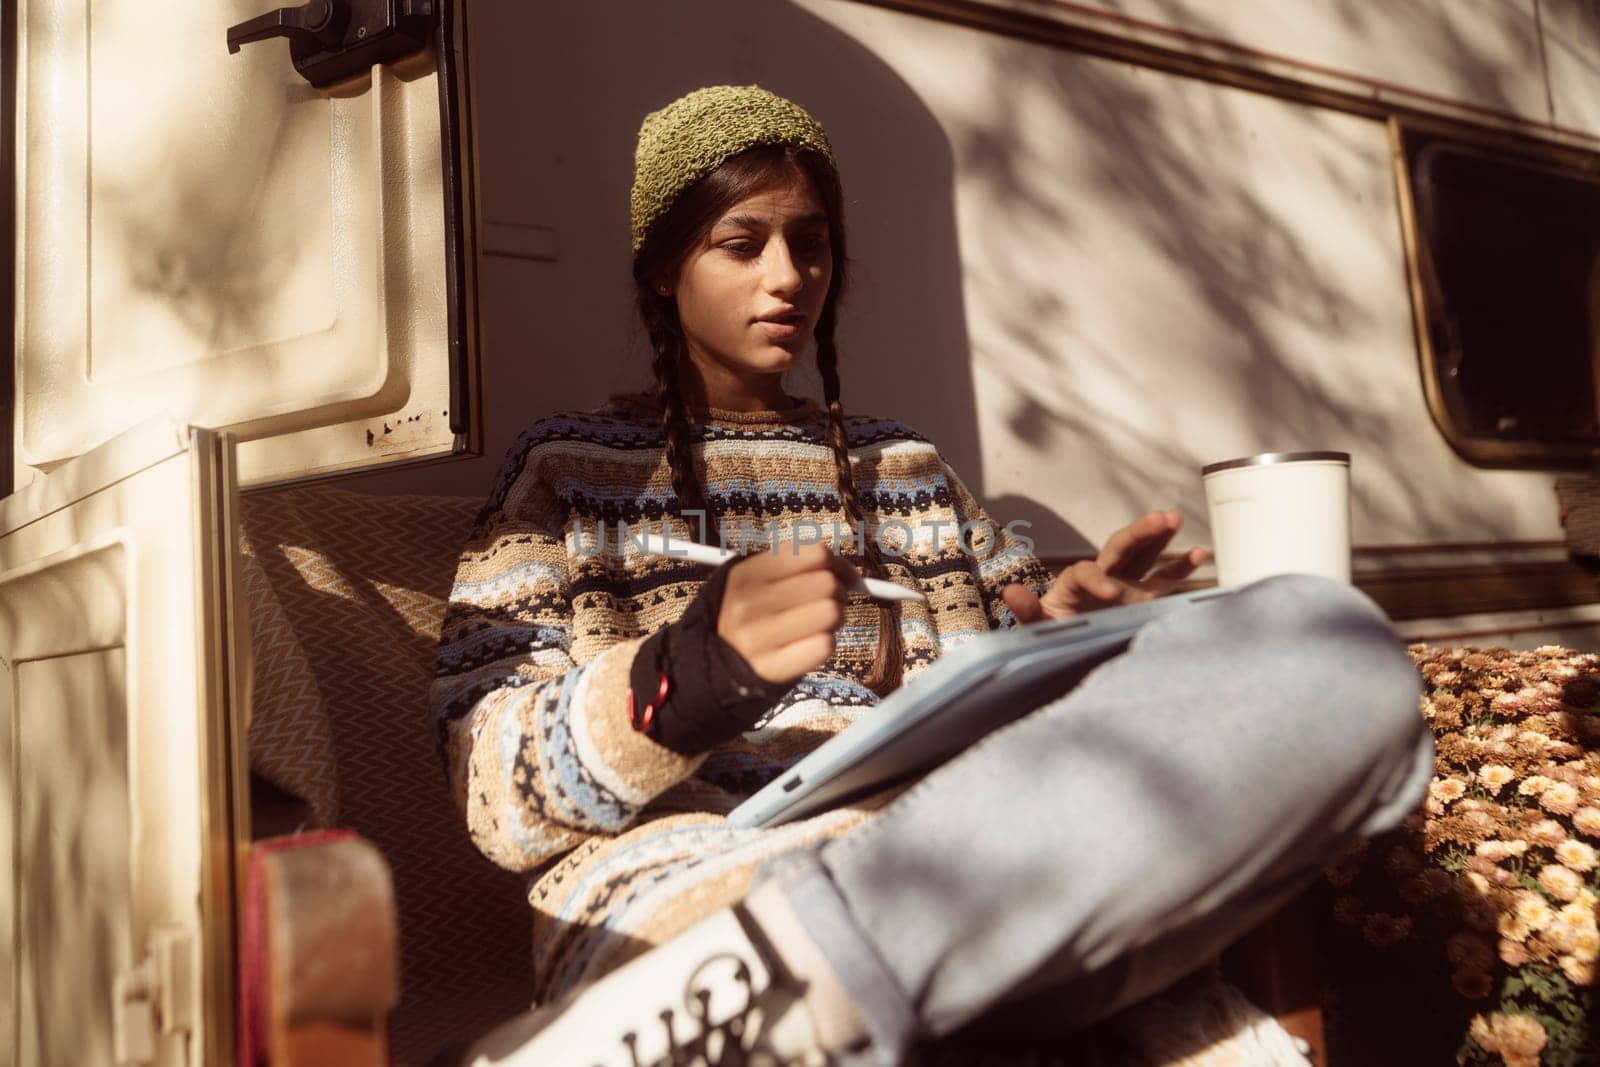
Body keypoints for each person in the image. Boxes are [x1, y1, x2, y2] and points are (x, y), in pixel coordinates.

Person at [437, 85, 1433, 1067]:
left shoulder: (907, 470)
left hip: (948, 856)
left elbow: (999, 701)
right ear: (663, 267)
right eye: (742, 244)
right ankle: (783, 990)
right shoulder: (567, 475)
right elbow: (493, 789)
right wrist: (689, 674)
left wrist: (1070, 631)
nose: (787, 276)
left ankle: (783, 1003)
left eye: (812, 243)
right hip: (694, 879)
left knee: (1334, 646)